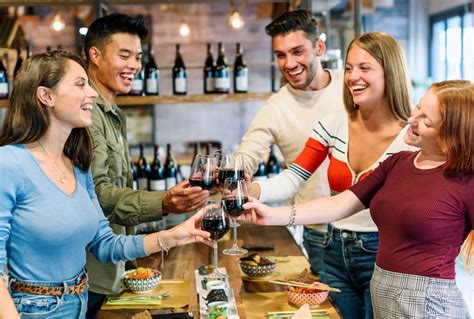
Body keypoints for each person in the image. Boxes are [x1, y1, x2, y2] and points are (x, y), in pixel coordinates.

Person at [0, 50, 213, 319]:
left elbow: (105, 245)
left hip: (80, 304)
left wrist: (174, 236)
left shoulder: (77, 166)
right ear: (46, 96)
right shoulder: (9, 163)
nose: (91, 93)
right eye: (80, 84)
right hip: (33, 310)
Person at [242, 79, 474, 318]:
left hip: (430, 306)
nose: (411, 119)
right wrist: (270, 215)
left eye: (427, 120)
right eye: (418, 107)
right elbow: (339, 204)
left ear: (452, 135)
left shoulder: (466, 180)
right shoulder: (398, 163)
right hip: (383, 294)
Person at [249, 32, 415, 318]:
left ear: (390, 72)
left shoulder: (412, 136)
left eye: (364, 68)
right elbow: (294, 176)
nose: (352, 77)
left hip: (385, 256)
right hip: (333, 249)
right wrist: (252, 191)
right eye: (349, 68)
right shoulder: (333, 124)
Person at [83, 13, 210, 316]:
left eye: (138, 57)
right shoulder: (86, 113)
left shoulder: (112, 111)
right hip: (91, 273)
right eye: (124, 55)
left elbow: (117, 187)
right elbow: (98, 195)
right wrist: (164, 202)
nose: (134, 66)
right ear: (95, 55)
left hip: (116, 263)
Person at [235, 9, 344, 277]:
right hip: (319, 235)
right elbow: (247, 154)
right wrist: (232, 172)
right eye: (281, 55)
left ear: (319, 47)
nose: (289, 63)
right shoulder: (276, 107)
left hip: (370, 230)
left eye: (298, 52)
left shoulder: (350, 87)